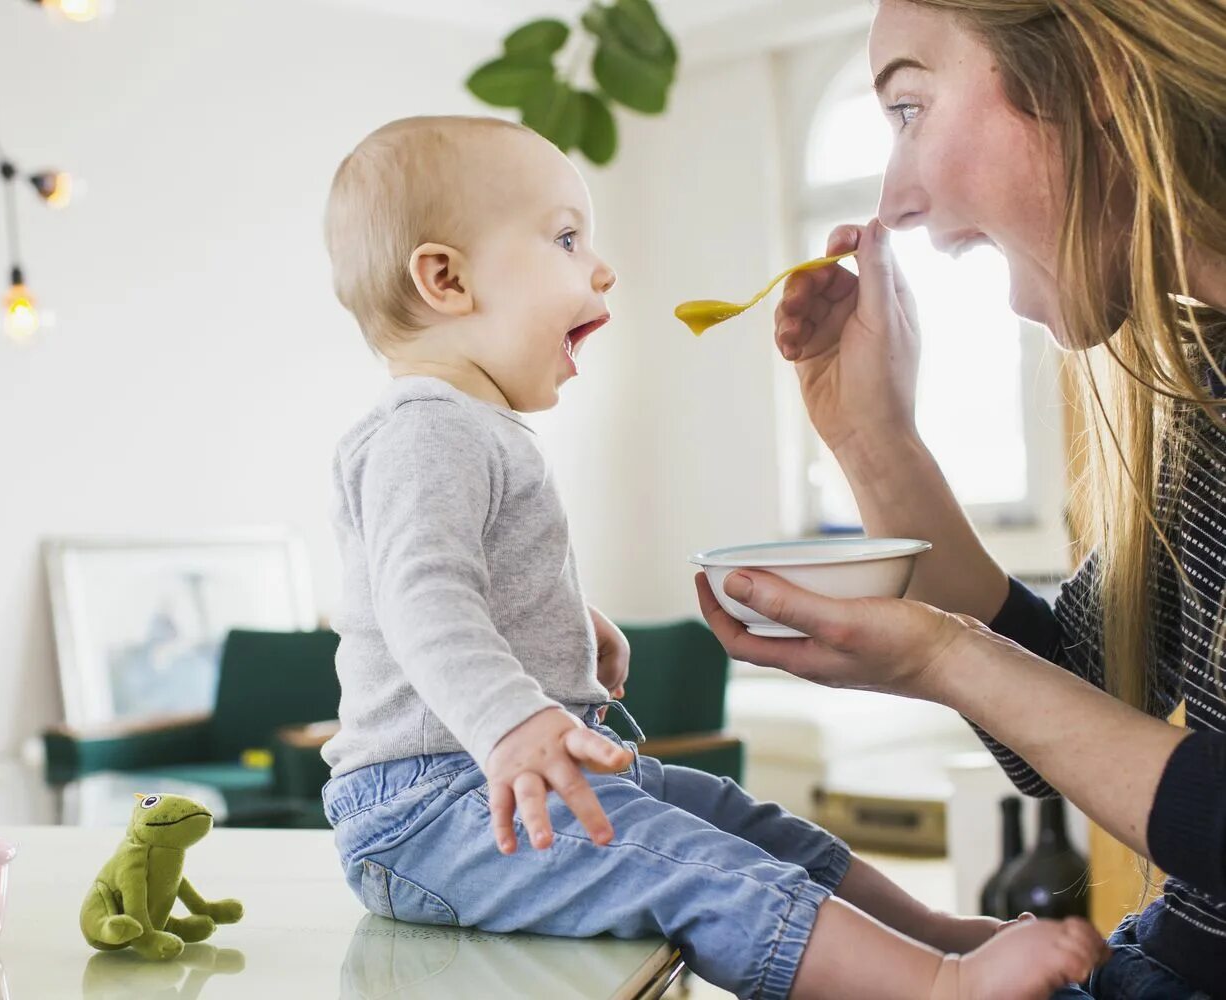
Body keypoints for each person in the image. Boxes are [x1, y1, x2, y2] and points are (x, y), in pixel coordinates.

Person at [318, 113, 1105, 999]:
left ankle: (927, 931)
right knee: (686, 864)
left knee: (737, 818)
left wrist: (562, 625)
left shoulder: (468, 430)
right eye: (567, 239)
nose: (602, 267)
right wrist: (514, 722)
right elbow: (420, 599)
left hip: (484, 781)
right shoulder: (426, 429)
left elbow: (455, 582)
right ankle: (935, 986)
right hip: (432, 809)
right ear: (446, 279)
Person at [695, 3, 1226, 997]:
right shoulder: (1213, 388)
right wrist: (875, 440)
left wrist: (948, 656)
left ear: (1095, 74)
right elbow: (1087, 696)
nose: (894, 198)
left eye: (908, 108)